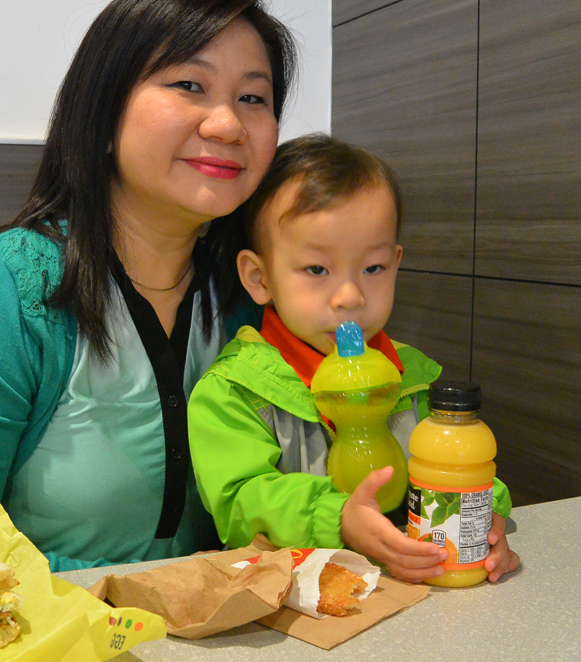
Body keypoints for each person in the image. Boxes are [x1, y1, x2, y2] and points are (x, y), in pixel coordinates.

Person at [0, 0, 297, 572]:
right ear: (102, 110)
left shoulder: (260, 290)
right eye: (189, 84)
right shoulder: (4, 289)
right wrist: (145, 597)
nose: (227, 124)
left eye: (254, 97)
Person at [188, 134, 520, 583]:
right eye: (318, 270)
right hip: (289, 604)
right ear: (259, 277)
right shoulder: (234, 391)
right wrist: (338, 517)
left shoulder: (417, 379)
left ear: (396, 263)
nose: (350, 297)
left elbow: (461, 466)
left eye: (373, 268)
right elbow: (241, 500)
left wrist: (484, 517)